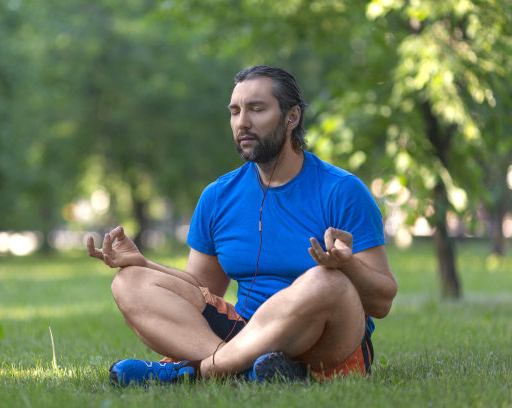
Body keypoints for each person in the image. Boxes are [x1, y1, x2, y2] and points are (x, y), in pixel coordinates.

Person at [87, 65, 397, 386]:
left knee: (325, 282)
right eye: (235, 111)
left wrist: (347, 266)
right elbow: (202, 290)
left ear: (292, 117)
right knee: (129, 282)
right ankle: (247, 371)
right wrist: (143, 264)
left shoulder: (342, 190)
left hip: (326, 340)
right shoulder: (218, 196)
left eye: (257, 109)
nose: (242, 122)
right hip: (244, 331)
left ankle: (201, 371)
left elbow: (382, 302)